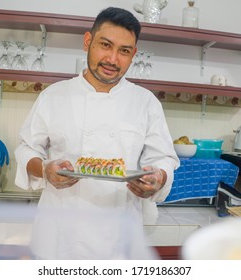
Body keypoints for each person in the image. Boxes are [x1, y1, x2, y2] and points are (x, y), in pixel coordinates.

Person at [15, 7, 180, 259]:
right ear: (87, 42)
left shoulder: (146, 102)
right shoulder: (53, 96)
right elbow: (27, 148)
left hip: (118, 239)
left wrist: (158, 177)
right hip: (60, 236)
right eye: (105, 45)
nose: (113, 59)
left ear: (133, 54)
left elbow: (164, 159)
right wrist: (45, 169)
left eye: (124, 51)